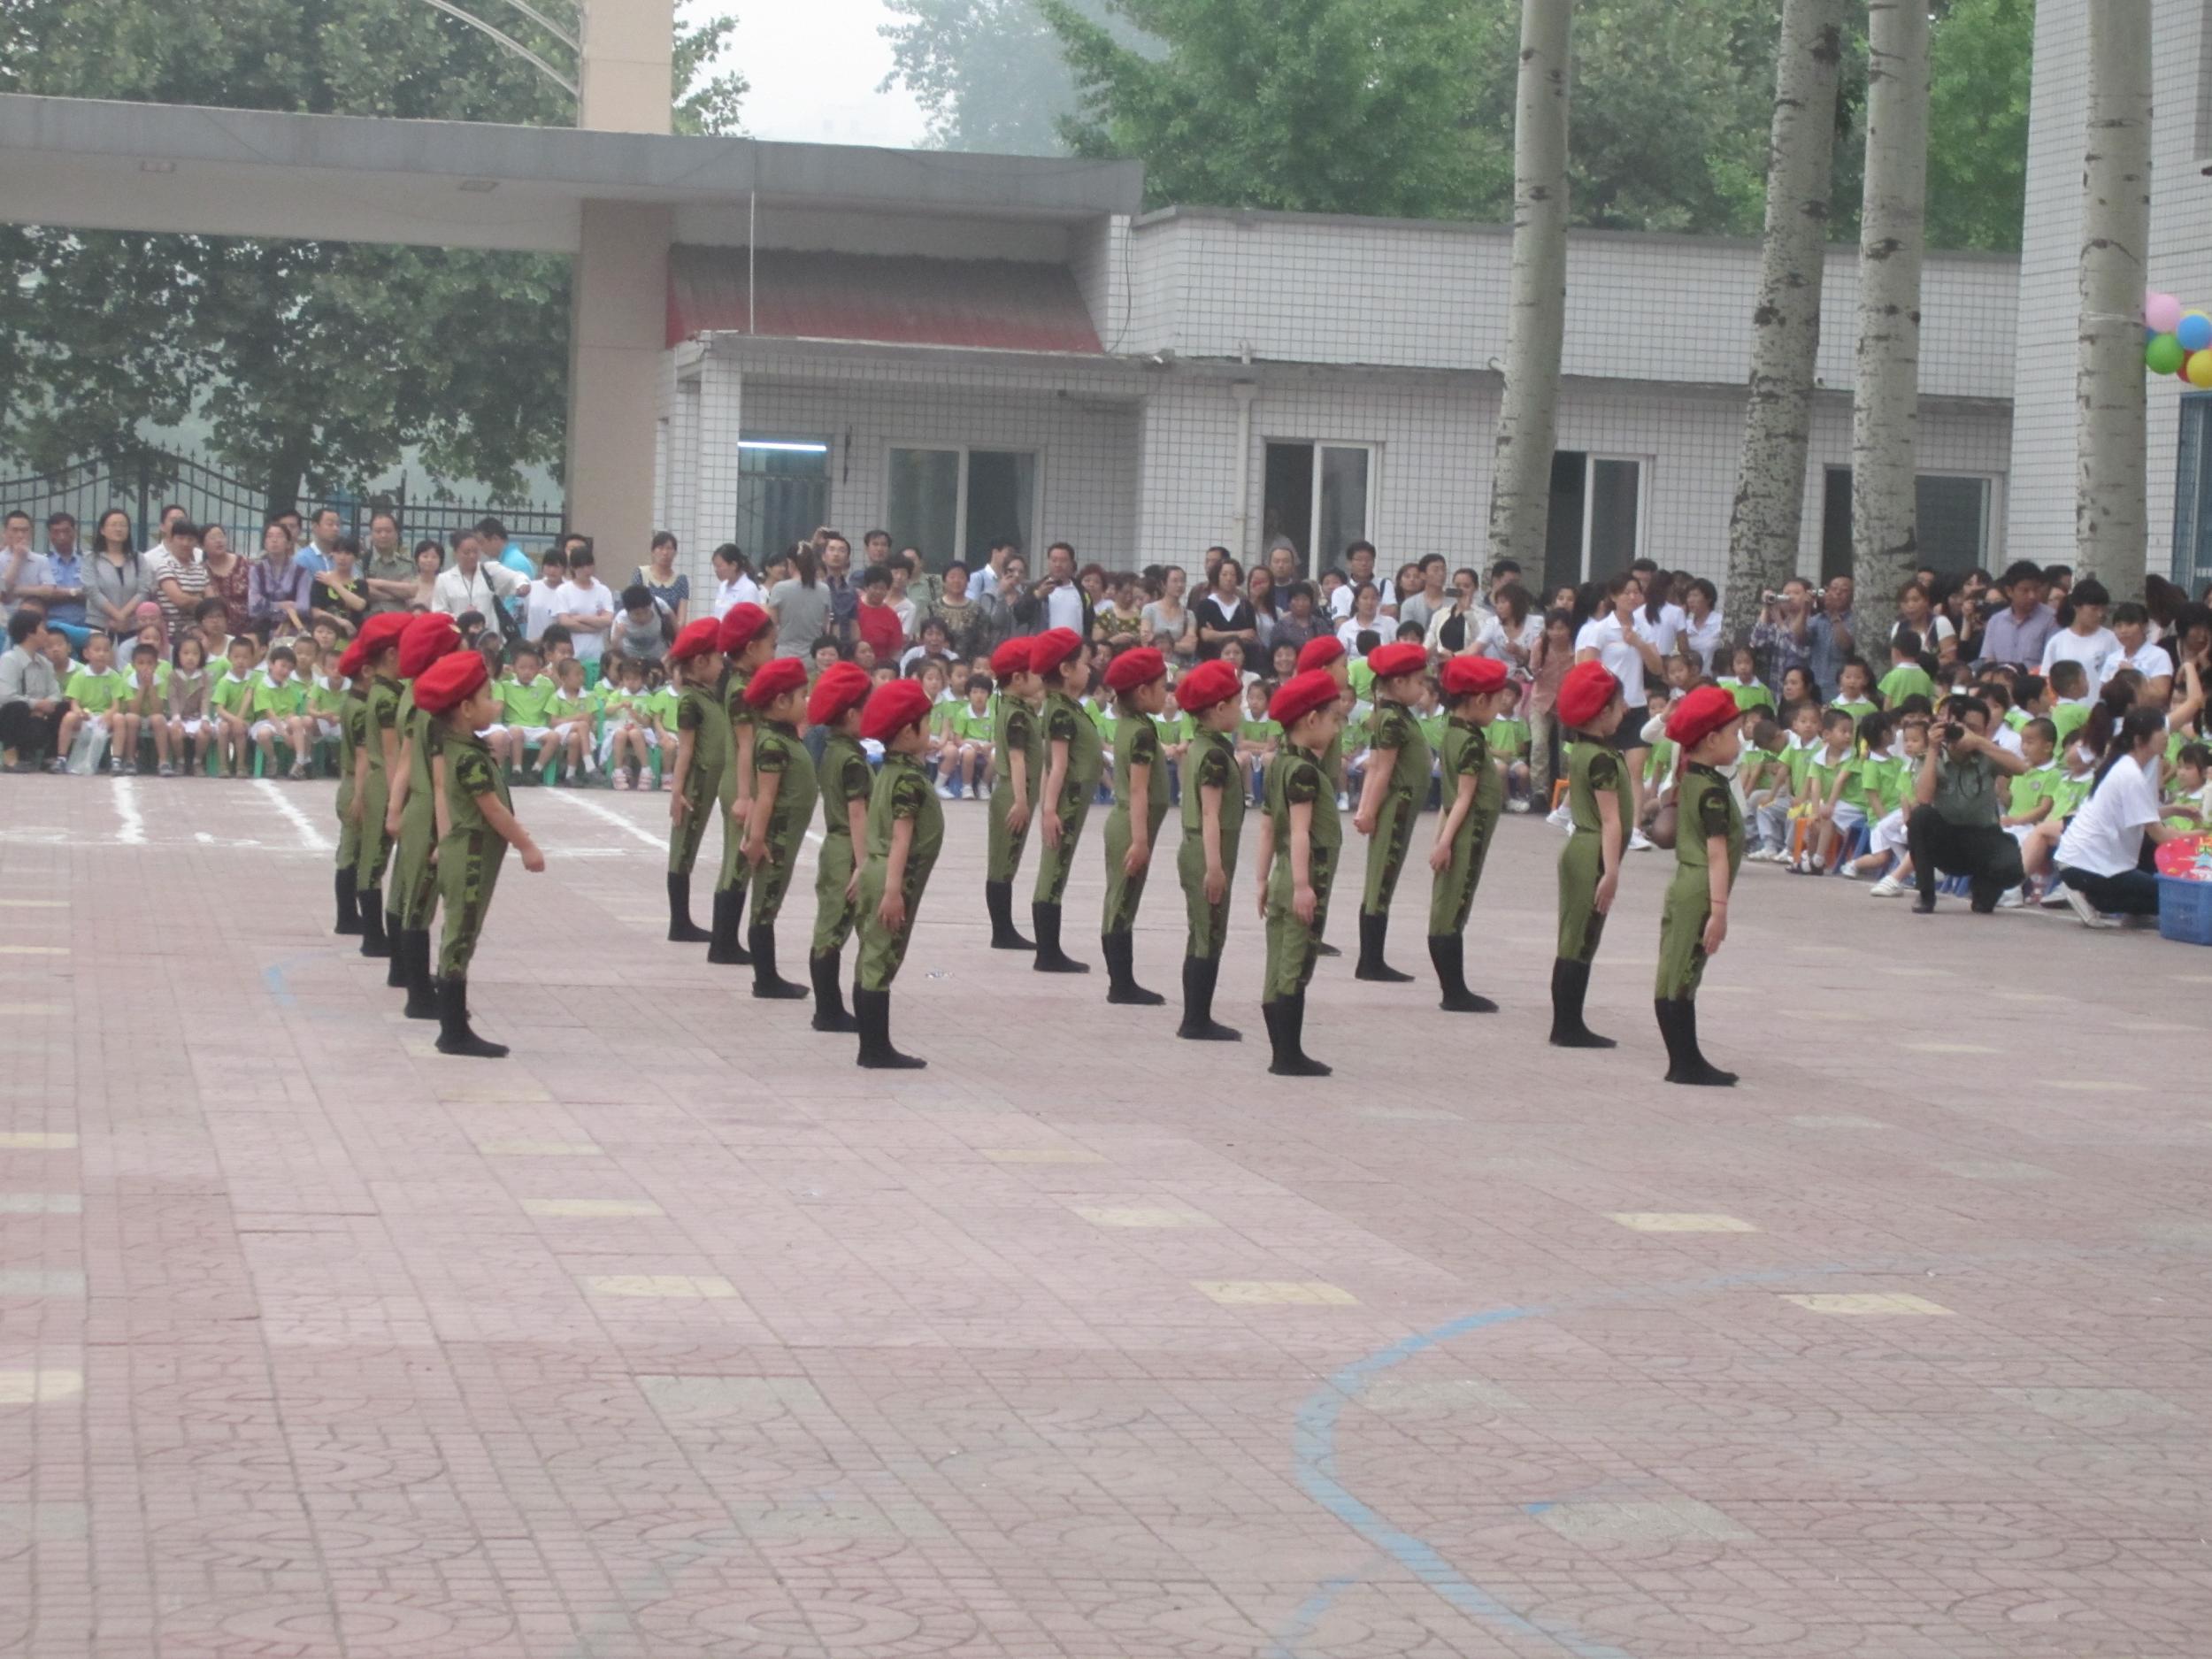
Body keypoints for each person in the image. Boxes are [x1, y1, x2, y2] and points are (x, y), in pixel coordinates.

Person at [414, 648, 545, 1057]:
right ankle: (452, 1031)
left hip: (463, 851)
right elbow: (491, 810)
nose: (497, 703)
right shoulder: (468, 757)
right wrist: (526, 844)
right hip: (471, 856)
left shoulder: (462, 746)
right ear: (466, 708)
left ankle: (454, 1025)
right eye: (488, 697)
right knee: (461, 935)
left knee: (461, 933)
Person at [1253, 669, 1345, 1077]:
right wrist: (1305, 887)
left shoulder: (1278, 764)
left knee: (1277, 963)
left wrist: (1261, 879)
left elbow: (1268, 824)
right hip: (1302, 876)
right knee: (1295, 962)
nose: (1336, 726)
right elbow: (1301, 831)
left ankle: (1282, 1051)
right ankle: (1287, 1055)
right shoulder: (1305, 771)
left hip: (1280, 875)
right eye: (1333, 718)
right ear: (1312, 721)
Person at [1653, 686, 1746, 1087]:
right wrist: (1720, 911)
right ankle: (1685, 1063)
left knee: (1674, 971)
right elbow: (1717, 853)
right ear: (1712, 740)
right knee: (1685, 973)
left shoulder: (1694, 779)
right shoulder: (1711, 791)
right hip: (1700, 887)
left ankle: (1683, 1060)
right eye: (1734, 733)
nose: (1739, 741)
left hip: (1687, 883)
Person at [851, 679, 944, 1070]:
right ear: (909, 731)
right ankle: (874, 1049)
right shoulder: (908, 779)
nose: (930, 729)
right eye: (927, 722)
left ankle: (871, 1045)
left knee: (871, 956)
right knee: (881, 960)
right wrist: (892, 890)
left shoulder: (890, 770)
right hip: (893, 876)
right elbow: (900, 837)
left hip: (876, 870)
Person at [382, 613, 464, 1013]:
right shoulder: (432, 702)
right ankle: (419, 996)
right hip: (430, 810)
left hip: (414, 805)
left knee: (410, 894)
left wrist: (394, 810)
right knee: (422, 902)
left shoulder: (410, 692)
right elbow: (437, 777)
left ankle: (410, 979)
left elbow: (402, 759)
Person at [1427, 655, 1514, 1012]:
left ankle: (1454, 989)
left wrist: (1439, 838)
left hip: (1456, 832)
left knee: (1448, 904)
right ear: (1479, 700)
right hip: (1469, 833)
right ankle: (1454, 992)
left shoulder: (1453, 732)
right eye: (1496, 701)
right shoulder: (1472, 742)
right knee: (1455, 906)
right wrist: (1446, 842)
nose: (1498, 708)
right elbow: (1462, 797)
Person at [1550, 661, 1630, 1048]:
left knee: (1572, 936)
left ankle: (1566, 1021)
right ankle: (1568, 1025)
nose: (1624, 710)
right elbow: (1611, 820)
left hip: (1580, 848)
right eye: (1618, 704)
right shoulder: (1601, 759)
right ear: (1602, 713)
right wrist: (1611, 872)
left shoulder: (1583, 749)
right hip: (1593, 850)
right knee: (1581, 939)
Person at [2054, 705, 2187, 926]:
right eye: (2158, 730)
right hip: (2089, 865)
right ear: (2139, 739)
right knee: (2171, 895)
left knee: (2153, 895)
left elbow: (2139, 814)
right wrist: (2195, 843)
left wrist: (2174, 810)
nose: (2166, 735)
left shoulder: (2124, 766)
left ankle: (2094, 897)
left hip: (2079, 862)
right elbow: (2158, 833)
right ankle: (2089, 895)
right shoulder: (2130, 774)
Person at [1170, 658, 1246, 1041]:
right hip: (1207, 850)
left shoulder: (1202, 745)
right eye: (1238, 702)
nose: (1242, 709)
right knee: (1209, 934)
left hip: (1198, 848)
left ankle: (1196, 1015)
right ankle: (1196, 1020)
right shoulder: (1214, 754)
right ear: (1219, 708)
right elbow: (1211, 813)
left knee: (1200, 932)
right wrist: (1215, 868)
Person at [1349, 640, 1431, 982]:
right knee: (1382, 878)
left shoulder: (1392, 716)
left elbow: (1376, 765)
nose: (1423, 688)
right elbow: (1381, 769)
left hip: (1399, 806)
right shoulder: (1393, 720)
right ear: (1398, 683)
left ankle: (1372, 958)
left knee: (1381, 876)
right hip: (1395, 806)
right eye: (1419, 681)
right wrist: (1368, 810)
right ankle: (1370, 961)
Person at [1906, 693, 2031, 913]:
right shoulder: (1931, 755)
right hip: (1945, 839)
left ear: (1985, 730)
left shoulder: (1987, 753)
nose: (1964, 733)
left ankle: (1984, 888)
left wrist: (1980, 743)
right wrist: (1934, 748)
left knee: (2010, 869)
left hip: (1982, 837)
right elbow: (1923, 799)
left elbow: (2021, 768)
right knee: (1920, 817)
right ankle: (1926, 895)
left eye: (1974, 728)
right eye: (1959, 726)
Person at [739, 655, 818, 1000]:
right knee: (765, 904)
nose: (807, 702)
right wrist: (756, 839)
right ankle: (765, 979)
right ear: (781, 701)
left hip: (784, 834)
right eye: (802, 696)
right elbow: (766, 795)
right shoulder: (772, 742)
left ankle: (767, 977)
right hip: (776, 837)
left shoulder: (784, 736)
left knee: (770, 902)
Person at [1097, 647, 1171, 1006]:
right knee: (1123, 901)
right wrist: (1140, 841)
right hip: (1131, 823)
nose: (1166, 692)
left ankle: (1121, 981)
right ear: (1143, 691)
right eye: (1162, 686)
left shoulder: (1134, 725)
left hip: (1126, 821)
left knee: (1119, 899)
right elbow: (1140, 787)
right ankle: (1121, 984)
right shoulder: (1141, 732)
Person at [805, 663, 874, 1032]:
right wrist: (863, 865)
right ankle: (828, 1010)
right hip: (848, 847)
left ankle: (828, 1008)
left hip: (835, 845)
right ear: (850, 714)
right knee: (833, 929)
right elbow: (858, 813)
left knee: (829, 925)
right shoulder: (851, 759)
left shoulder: (833, 748)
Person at [709, 603, 778, 964]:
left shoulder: (744, 683)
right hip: (742, 782)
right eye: (771, 646)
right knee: (738, 861)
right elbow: (746, 743)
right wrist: (745, 796)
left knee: (734, 861)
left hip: (740, 781)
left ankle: (723, 941)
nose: (773, 653)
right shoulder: (740, 689)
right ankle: (724, 944)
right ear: (751, 648)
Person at [1028, 626, 1099, 973]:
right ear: (1066, 670)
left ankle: (1049, 950)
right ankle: (1048, 952)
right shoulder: (1059, 711)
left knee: (1057, 868)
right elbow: (1056, 765)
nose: (1089, 670)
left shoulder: (1065, 707)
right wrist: (1051, 809)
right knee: (1054, 871)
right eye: (1083, 664)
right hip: (1067, 799)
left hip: (1069, 799)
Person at [347, 613, 411, 952]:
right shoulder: (386, 698)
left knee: (373, 858)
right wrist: (395, 802)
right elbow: (390, 753)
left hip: (378, 781)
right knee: (374, 860)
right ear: (390, 655)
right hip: (382, 782)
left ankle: (374, 936)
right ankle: (373, 937)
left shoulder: (384, 691)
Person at [663, 618, 727, 943]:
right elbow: (685, 748)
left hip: (711, 778)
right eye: (717, 659)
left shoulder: (709, 696)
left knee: (690, 843)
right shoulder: (691, 700)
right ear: (700, 662)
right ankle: (680, 922)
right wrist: (677, 790)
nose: (721, 666)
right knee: (684, 846)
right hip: (697, 781)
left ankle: (683, 921)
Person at [982, 638, 1042, 949]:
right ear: (1017, 678)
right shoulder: (1016, 713)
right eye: (1034, 673)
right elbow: (1017, 758)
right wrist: (1021, 800)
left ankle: (1003, 930)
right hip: (1013, 792)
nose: (1040, 678)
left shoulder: (1011, 706)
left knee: (1006, 861)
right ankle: (1002, 932)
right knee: (1003, 862)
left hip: (1014, 791)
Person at [0, 608, 67, 771]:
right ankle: (10, 758)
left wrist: (46, 706)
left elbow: (55, 693)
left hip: (40, 717)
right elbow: (5, 697)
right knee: (16, 707)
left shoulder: (45, 663)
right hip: (14, 717)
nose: (46, 633)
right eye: (42, 628)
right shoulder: (9, 660)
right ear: (30, 633)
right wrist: (36, 705)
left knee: (64, 707)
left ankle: (49, 757)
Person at [432, 533, 529, 641]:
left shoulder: (489, 570)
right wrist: (462, 618)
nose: (472, 556)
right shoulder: (444, 579)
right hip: (460, 641)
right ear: (455, 553)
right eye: (466, 552)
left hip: (490, 640)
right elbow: (439, 613)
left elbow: (516, 577)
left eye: (475, 551)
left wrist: (522, 585)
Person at [2039, 575, 2119, 693]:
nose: (2100, 614)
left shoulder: (2111, 639)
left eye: (2103, 609)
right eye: (2094, 609)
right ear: (2077, 607)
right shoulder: (2057, 642)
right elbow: (2046, 678)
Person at [84, 510, 150, 641]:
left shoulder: (139, 558)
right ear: (102, 530)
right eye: (113, 525)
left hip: (131, 627)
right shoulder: (91, 559)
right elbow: (92, 591)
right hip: (99, 625)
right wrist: (117, 616)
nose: (119, 529)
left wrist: (123, 616)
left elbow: (144, 591)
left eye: (123, 525)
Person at [248, 644, 311, 779]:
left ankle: (300, 762)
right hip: (267, 722)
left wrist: (290, 724)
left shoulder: (290, 686)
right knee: (263, 734)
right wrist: (285, 735)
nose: (285, 671)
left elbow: (292, 712)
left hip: (285, 721)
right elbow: (269, 714)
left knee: (298, 721)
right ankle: (272, 760)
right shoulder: (262, 687)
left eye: (289, 668)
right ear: (271, 664)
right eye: (282, 665)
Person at [1982, 560, 2058, 667]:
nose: (2032, 596)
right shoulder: (1995, 621)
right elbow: (1989, 661)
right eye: (2025, 590)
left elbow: (2052, 662)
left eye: (2036, 589)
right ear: (2009, 591)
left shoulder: (2052, 619)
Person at [765, 544, 832, 660]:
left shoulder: (779, 588)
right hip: (813, 655)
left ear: (790, 563)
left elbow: (772, 625)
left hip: (784, 655)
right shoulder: (824, 590)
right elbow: (825, 627)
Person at [555, 546, 616, 667]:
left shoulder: (603, 591)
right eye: (582, 567)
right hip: (572, 653)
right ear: (572, 568)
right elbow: (565, 622)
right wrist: (595, 626)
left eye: (589, 566)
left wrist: (579, 617)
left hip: (596, 653)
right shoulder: (563, 590)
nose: (587, 570)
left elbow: (608, 620)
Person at [1194, 557, 1257, 663]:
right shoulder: (1206, 605)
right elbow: (1206, 636)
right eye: (1224, 574)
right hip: (1210, 662)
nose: (1229, 578)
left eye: (1233, 575)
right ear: (1217, 577)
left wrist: (1217, 634)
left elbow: (1249, 636)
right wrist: (1239, 634)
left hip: (1240, 665)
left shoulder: (1246, 606)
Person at [636, 532, 690, 627]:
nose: (665, 553)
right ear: (653, 552)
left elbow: (681, 621)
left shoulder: (681, 580)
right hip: (643, 632)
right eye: (660, 548)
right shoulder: (641, 573)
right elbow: (633, 607)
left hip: (670, 635)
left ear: (675, 553)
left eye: (669, 548)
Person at [710, 544, 761, 618]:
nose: (716, 570)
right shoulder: (723, 586)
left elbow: (748, 622)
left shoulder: (749, 589)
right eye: (715, 566)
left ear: (734, 565)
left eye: (719, 566)